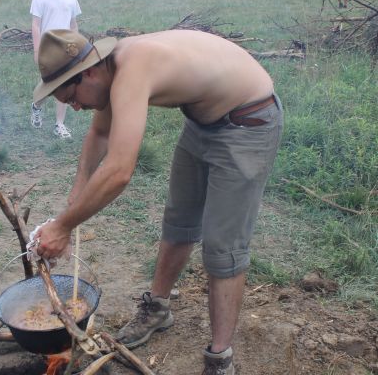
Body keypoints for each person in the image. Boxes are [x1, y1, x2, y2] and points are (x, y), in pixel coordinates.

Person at [31, 29, 283, 374]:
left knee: (223, 247)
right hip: (202, 122)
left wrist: (63, 226)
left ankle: (220, 358)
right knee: (178, 222)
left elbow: (120, 170)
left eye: (71, 96)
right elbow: (101, 133)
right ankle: (158, 309)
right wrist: (75, 198)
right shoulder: (108, 70)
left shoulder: (133, 68)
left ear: (88, 71)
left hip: (247, 122)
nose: (74, 107)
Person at [29, 0, 81, 138]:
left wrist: (77, 46)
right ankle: (36, 107)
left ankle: (59, 124)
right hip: (47, 48)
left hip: (66, 49)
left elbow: (73, 25)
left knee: (64, 85)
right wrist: (37, 50)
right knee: (49, 84)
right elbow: (36, 25)